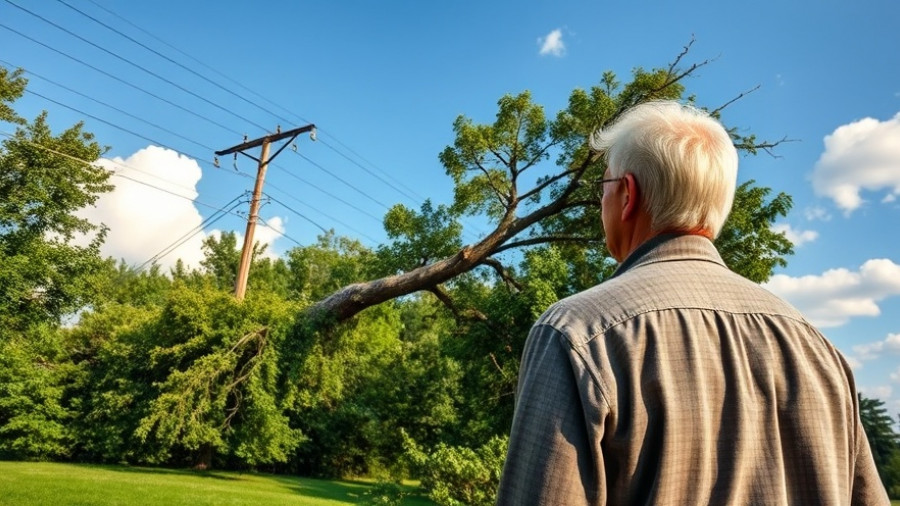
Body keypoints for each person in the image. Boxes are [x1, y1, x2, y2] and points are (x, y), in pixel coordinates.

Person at [496, 101, 889, 505]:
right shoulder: (819, 351)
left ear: (628, 194)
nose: (602, 203)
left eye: (605, 187)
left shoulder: (577, 333)